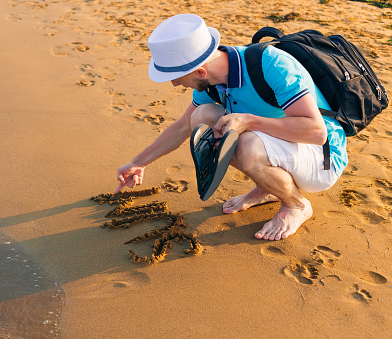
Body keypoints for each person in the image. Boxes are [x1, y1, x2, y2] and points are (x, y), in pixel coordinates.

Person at [114, 14, 348, 241]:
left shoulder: (272, 65)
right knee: (202, 116)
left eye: (176, 77)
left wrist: (249, 121)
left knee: (245, 144)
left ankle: (296, 205)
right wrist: (138, 163)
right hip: (286, 145)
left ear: (200, 71)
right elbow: (185, 125)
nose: (175, 83)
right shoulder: (211, 81)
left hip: (323, 158)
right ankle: (266, 187)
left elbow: (317, 133)